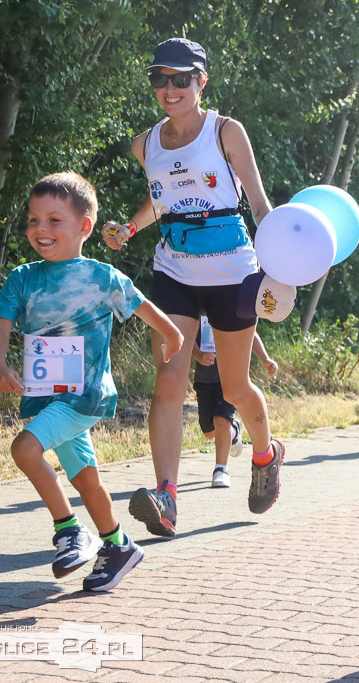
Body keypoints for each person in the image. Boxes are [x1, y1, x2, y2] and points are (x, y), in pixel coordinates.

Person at [101, 38, 284, 535]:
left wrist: (282, 264)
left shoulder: (226, 131)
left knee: (234, 386)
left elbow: (261, 204)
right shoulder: (146, 143)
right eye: (160, 78)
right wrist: (129, 228)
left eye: (181, 79)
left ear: (201, 82)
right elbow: (162, 197)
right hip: (174, 270)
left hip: (233, 273)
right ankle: (166, 496)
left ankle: (266, 456)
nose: (170, 88)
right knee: (169, 380)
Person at [0, 172, 184, 591]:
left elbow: (144, 306)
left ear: (84, 227)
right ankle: (119, 545)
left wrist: (174, 335)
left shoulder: (101, 277)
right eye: (34, 219)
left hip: (85, 395)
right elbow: (1, 324)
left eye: (54, 220)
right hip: (46, 398)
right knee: (87, 481)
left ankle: (69, 530)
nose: (41, 229)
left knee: (25, 448)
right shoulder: (23, 278)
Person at [192, 319, 277, 488]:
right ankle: (233, 431)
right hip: (204, 380)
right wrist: (198, 354)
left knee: (221, 420)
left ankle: (221, 470)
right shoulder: (197, 308)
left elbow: (250, 334)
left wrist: (265, 359)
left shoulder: (229, 307)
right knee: (209, 431)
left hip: (231, 378)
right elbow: (188, 337)